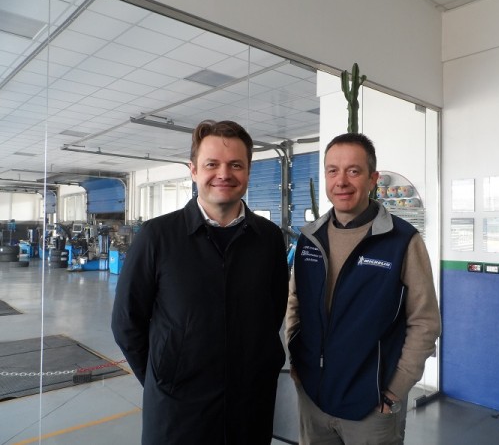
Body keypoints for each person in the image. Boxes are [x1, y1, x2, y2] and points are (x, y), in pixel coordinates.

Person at [111, 120, 289, 445]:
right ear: (193, 170)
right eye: (212, 164)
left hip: (250, 408)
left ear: (248, 171)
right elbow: (126, 323)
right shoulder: (157, 236)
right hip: (177, 414)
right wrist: (163, 378)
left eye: (236, 165)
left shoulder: (269, 238)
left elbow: (272, 311)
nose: (224, 174)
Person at [286, 132, 441, 445]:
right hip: (313, 398)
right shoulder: (309, 239)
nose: (341, 181)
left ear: (373, 179)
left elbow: (425, 322)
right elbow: (295, 303)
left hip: (371, 407)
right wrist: (296, 362)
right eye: (333, 170)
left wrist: (395, 390)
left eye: (353, 171)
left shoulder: (402, 241)